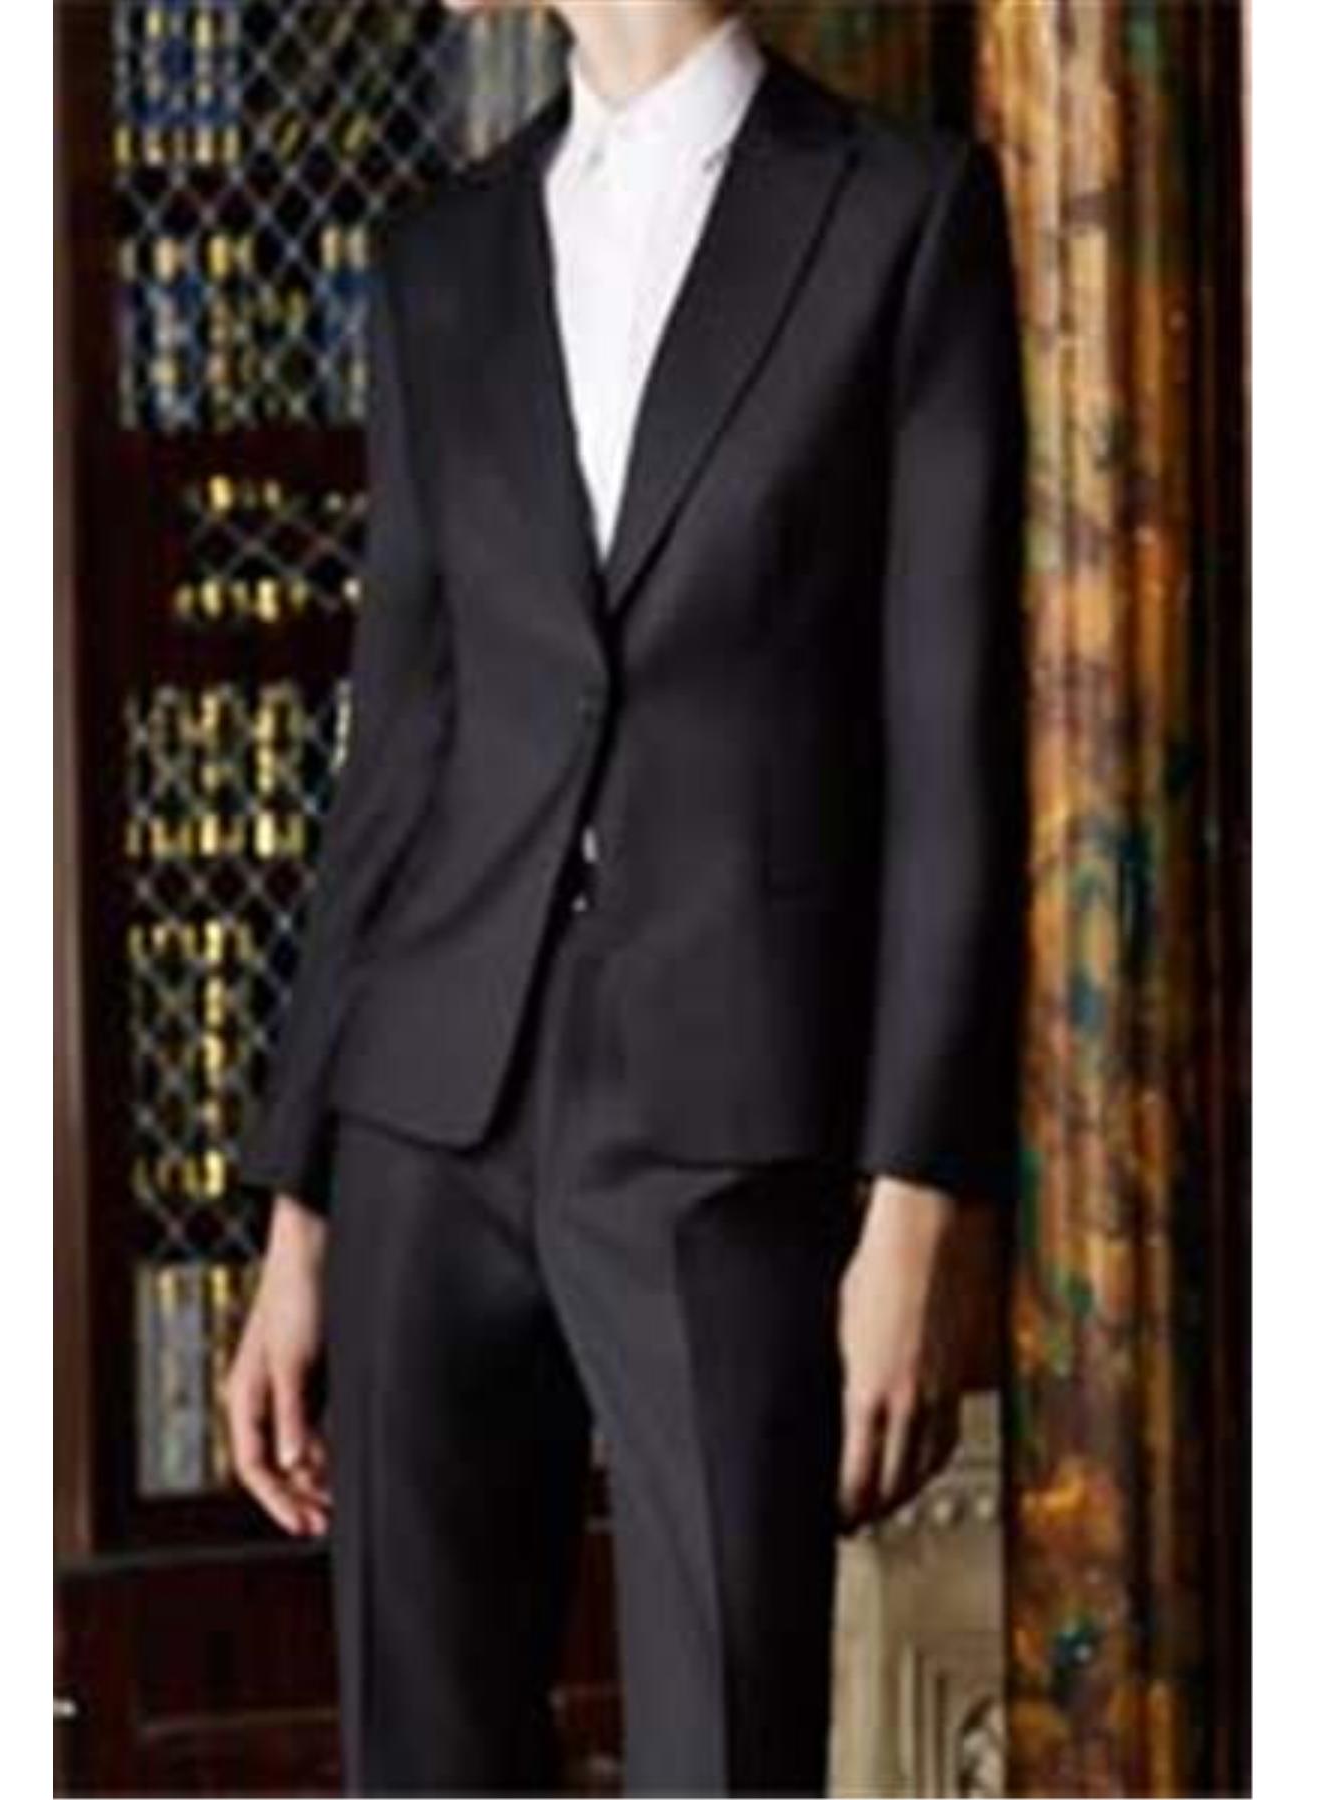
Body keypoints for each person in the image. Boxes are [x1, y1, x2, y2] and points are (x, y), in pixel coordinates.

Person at [224, 1, 1026, 1792]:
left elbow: (952, 750)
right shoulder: (439, 258)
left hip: (722, 1122)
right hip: (427, 1111)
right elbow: (395, 755)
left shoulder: (899, 216)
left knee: (726, 1752)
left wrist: (924, 1204)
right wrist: (301, 1208)